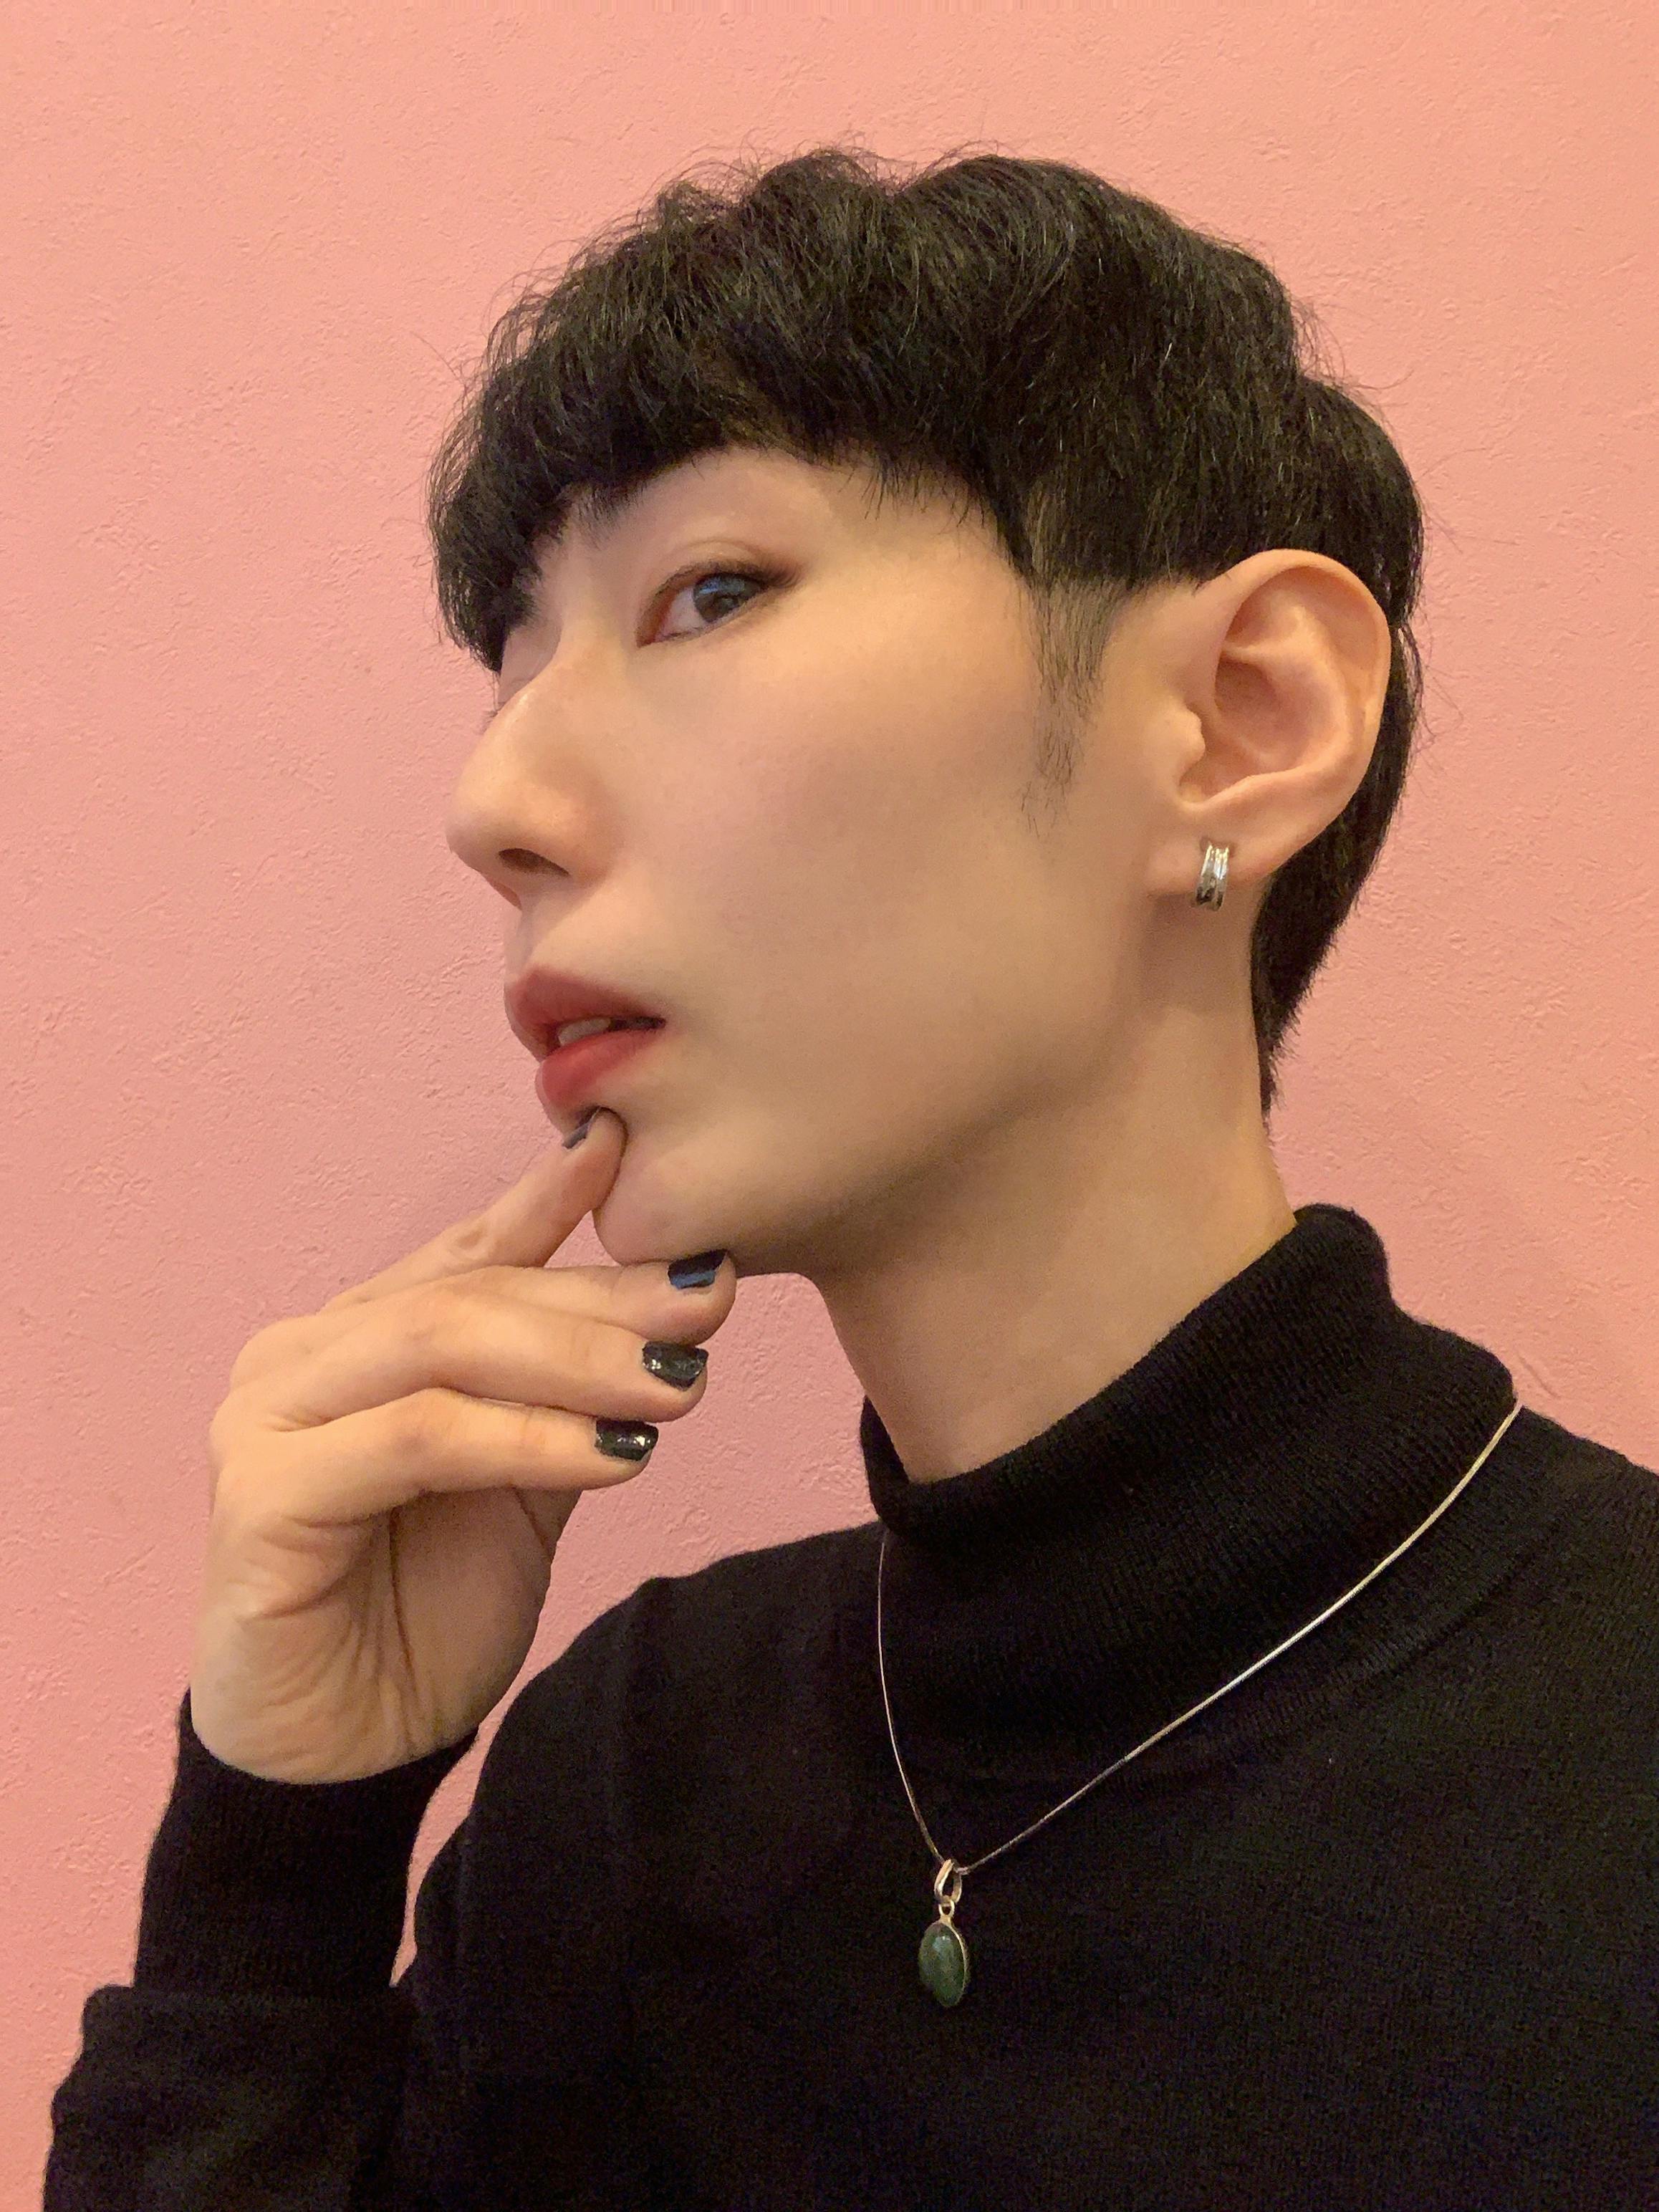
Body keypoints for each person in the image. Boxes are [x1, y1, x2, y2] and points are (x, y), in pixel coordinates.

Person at [47, 145, 1658, 2208]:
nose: (494, 801)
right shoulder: (633, 1782)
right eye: (514, 666)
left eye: (708, 593)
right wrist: (276, 1863)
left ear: (1241, 721)